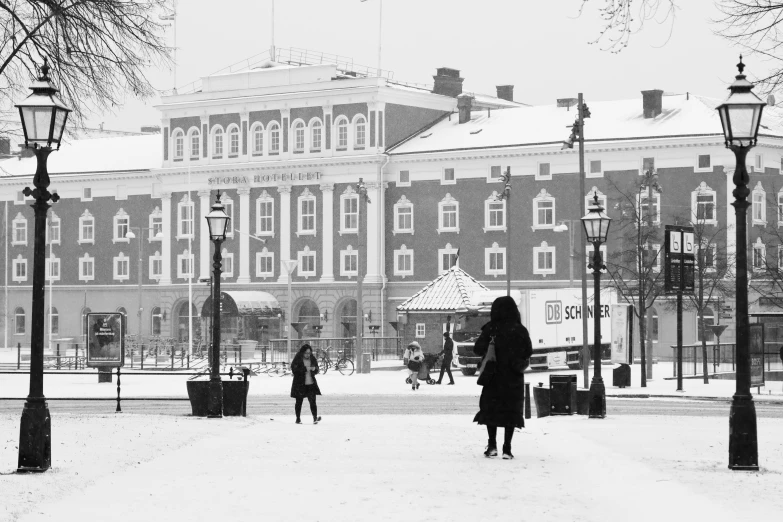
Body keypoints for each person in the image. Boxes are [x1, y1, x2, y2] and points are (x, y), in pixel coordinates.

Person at [473, 295, 533, 460]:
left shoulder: (491, 329)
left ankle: (492, 445)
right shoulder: (520, 330)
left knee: (491, 410)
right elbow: (528, 351)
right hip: (513, 377)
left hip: (493, 376)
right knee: (510, 412)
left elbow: (477, 349)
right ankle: (507, 448)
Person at [290, 344, 322, 424]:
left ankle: (314, 418)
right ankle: (298, 418)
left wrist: (314, 370)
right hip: (300, 384)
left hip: (310, 383)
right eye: (306, 353)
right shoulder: (298, 358)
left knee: (313, 402)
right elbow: (294, 369)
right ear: (302, 352)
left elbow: (317, 369)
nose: (308, 355)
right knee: (299, 402)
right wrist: (305, 369)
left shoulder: (312, 358)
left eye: (309, 353)